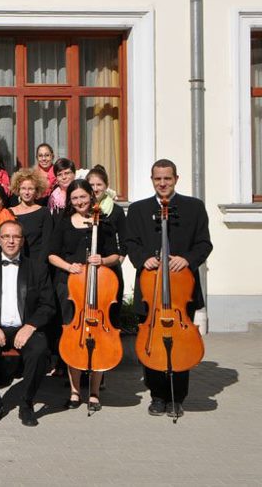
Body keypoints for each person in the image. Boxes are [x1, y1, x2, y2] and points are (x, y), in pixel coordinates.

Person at [125, 159, 212, 419]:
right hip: (150, 290)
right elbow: (130, 243)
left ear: (176, 179)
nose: (162, 183)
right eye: (158, 179)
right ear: (152, 180)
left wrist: (187, 259)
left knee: (181, 344)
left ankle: (177, 398)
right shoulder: (139, 209)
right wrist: (143, 259)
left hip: (181, 290)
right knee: (151, 342)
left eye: (167, 178)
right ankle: (157, 396)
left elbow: (204, 244)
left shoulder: (194, 207)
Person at [0, 220, 55, 427]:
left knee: (39, 351)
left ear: (22, 241)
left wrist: (30, 326)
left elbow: (48, 305)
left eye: (16, 237)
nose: (11, 241)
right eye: (6, 236)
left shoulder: (37, 268)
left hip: (25, 327)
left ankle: (26, 403)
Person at [46, 179, 121, 411]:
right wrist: (69, 267)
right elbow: (51, 255)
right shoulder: (63, 223)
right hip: (70, 287)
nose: (79, 201)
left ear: (91, 196)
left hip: (99, 287)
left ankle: (95, 391)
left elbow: (116, 255)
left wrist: (103, 260)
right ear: (70, 201)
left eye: (83, 196)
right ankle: (75, 391)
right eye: (75, 198)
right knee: (73, 337)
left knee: (99, 337)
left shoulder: (104, 223)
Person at [86, 165, 127, 326]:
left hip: (110, 268)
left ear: (106, 186)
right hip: (87, 269)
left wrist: (116, 261)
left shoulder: (116, 211)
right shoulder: (82, 209)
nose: (95, 189)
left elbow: (124, 241)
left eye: (99, 185)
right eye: (92, 185)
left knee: (111, 312)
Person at [9, 168, 53, 262]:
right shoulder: (9, 212)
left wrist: (39, 266)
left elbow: (46, 243)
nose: (27, 192)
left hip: (37, 263)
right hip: (14, 263)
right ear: (18, 190)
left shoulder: (44, 212)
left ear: (37, 191)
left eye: (30, 189)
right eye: (23, 188)